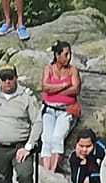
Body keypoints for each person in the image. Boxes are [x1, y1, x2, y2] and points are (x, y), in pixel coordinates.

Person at [41, 41, 81, 174]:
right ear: (57, 55)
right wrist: (64, 85)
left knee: (57, 138)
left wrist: (54, 92)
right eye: (65, 54)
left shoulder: (73, 70)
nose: (68, 57)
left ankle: (52, 171)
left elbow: (75, 89)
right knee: (46, 138)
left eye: (70, 54)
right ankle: (46, 171)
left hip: (66, 110)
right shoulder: (48, 69)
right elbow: (45, 87)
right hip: (49, 109)